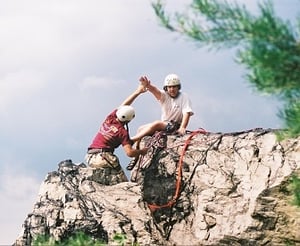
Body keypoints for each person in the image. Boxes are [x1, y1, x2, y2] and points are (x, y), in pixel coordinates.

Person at [85, 83, 149, 184]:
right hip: (102, 156)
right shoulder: (122, 132)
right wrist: (142, 152)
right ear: (129, 120)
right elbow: (130, 153)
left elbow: (124, 105)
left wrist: (137, 92)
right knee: (121, 179)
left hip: (89, 156)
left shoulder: (110, 118)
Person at [127, 73, 194, 170]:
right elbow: (155, 91)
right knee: (140, 128)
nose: (172, 89)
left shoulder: (184, 97)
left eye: (174, 87)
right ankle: (136, 155)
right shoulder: (164, 96)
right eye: (170, 87)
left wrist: (183, 127)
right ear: (166, 88)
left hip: (175, 125)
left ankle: (132, 140)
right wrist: (148, 86)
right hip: (165, 124)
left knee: (157, 123)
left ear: (178, 87)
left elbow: (186, 112)